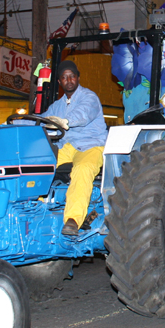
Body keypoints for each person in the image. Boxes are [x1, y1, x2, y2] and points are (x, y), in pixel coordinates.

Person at [42, 60, 108, 235]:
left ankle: (73, 220)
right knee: (40, 164)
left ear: (78, 78)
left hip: (90, 145)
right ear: (59, 82)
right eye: (64, 77)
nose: (69, 80)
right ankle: (39, 204)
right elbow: (42, 118)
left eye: (72, 76)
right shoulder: (57, 105)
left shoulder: (89, 97)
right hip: (66, 145)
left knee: (83, 169)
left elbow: (83, 113)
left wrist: (66, 121)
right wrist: (18, 123)